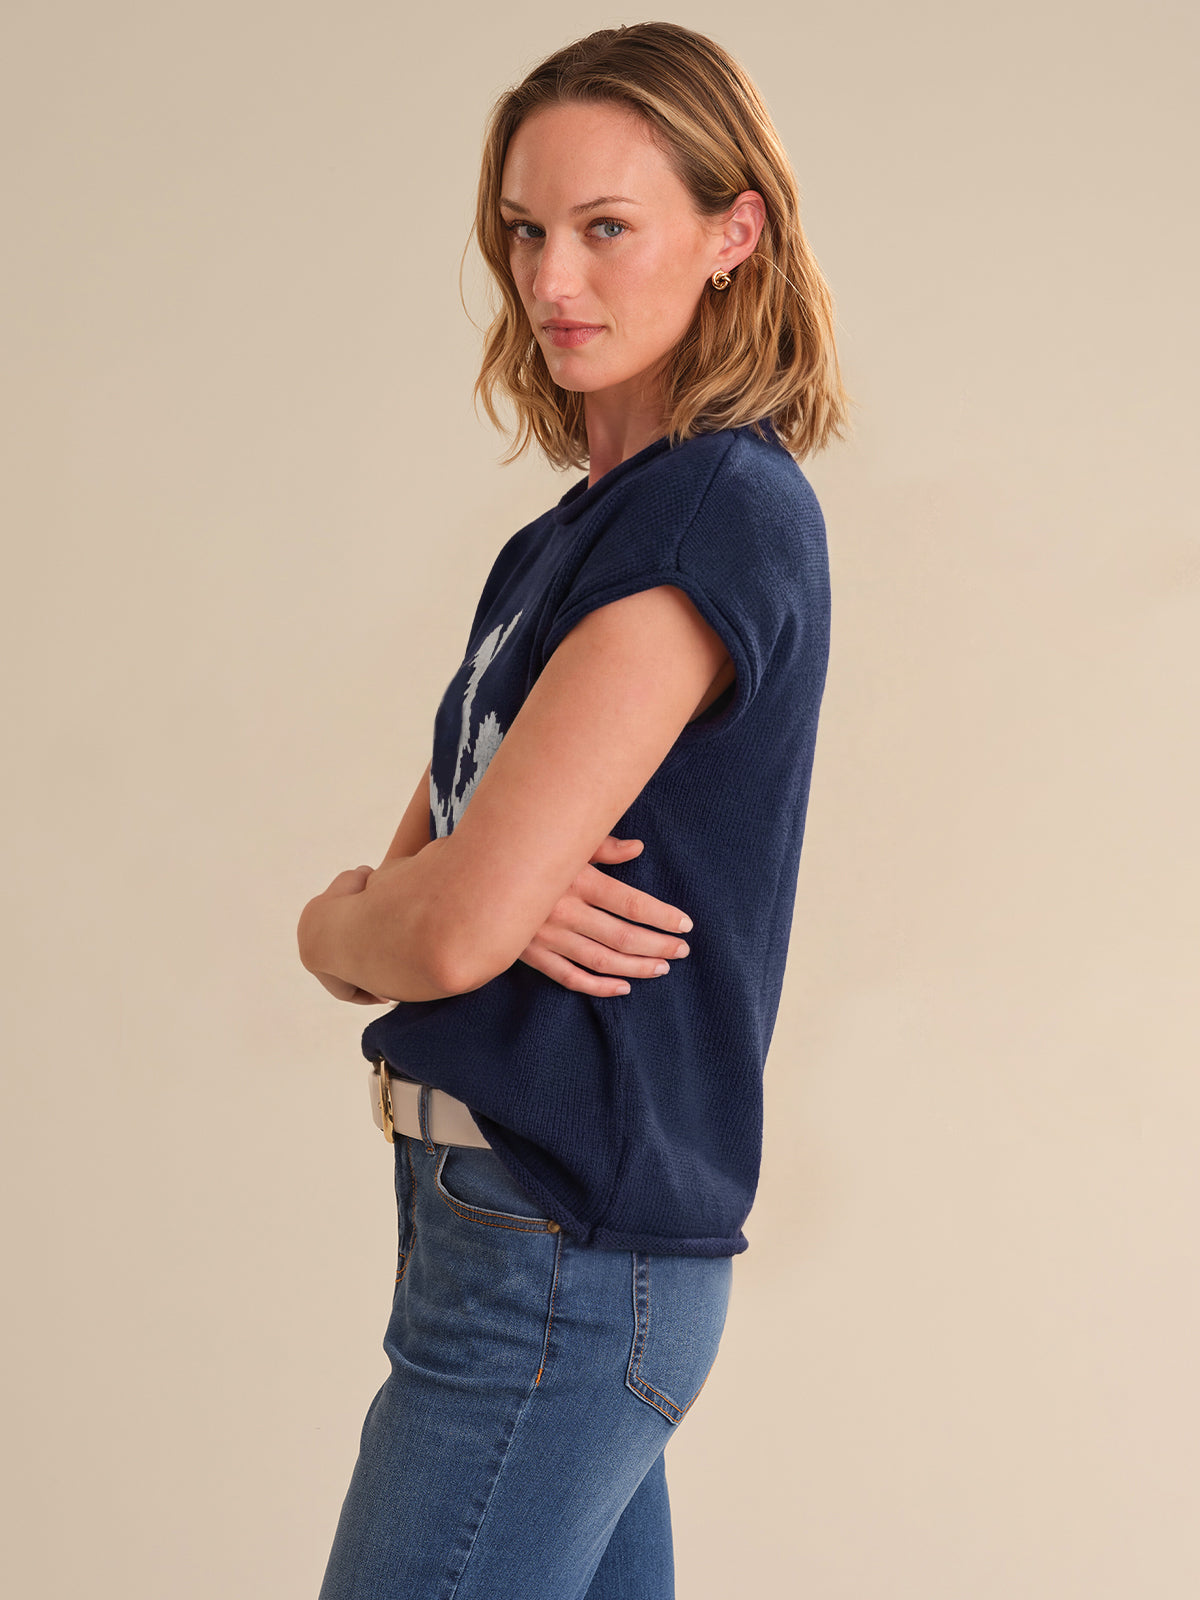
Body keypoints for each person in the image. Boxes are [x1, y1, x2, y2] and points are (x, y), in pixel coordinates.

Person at [297, 20, 849, 1599]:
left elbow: (435, 929)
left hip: (554, 1262)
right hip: (498, 1239)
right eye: (526, 230)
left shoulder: (710, 513)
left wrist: (372, 917)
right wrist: (380, 918)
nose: (552, 279)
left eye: (608, 228)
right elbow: (417, 899)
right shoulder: (563, 545)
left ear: (733, 232)